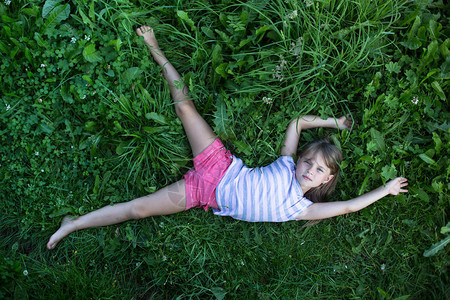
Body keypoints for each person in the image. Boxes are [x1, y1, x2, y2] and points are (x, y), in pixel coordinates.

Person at [46, 26, 408, 250]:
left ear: (327, 179)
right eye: (308, 161)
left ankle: (73, 223)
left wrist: (386, 190)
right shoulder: (285, 165)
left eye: (318, 170)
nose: (310, 169)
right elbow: (297, 123)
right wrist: (333, 122)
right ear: (298, 161)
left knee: (138, 209)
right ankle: (156, 50)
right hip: (219, 163)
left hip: (203, 193)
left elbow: (347, 207)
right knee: (185, 109)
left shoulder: (302, 209)